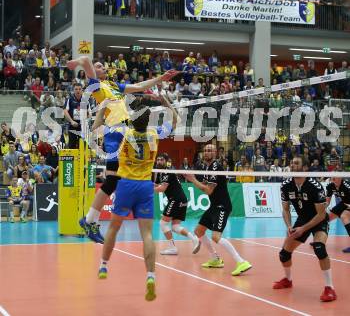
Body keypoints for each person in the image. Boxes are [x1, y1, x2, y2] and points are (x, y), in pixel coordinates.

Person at [67, 55, 179, 243]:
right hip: (115, 132)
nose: (102, 68)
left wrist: (161, 78)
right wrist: (78, 62)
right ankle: (90, 220)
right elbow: (87, 60)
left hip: (125, 132)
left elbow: (140, 87)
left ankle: (89, 220)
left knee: (112, 181)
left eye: (102, 66)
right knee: (112, 180)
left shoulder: (112, 86)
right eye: (99, 66)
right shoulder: (96, 87)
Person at [99, 96, 178, 302]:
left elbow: (100, 127)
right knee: (147, 235)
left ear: (133, 120)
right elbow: (176, 120)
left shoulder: (125, 133)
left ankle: (103, 265)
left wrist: (105, 107)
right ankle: (150, 276)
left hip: (125, 184)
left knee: (114, 228)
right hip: (145, 186)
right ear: (148, 121)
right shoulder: (154, 133)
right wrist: (167, 102)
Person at [273, 156, 337, 302]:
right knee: (284, 254)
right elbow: (286, 209)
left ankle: (330, 288)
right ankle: (288, 280)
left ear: (305, 168)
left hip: (318, 220)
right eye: (291, 162)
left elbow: (321, 215)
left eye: (296, 163)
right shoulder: (286, 185)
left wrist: (303, 229)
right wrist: (289, 226)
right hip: (302, 219)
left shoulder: (315, 187)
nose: (292, 165)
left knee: (319, 247)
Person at [184, 144, 252, 276]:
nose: (207, 152)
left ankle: (241, 261)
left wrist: (192, 179)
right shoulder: (207, 168)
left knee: (216, 237)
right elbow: (205, 187)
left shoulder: (215, 167)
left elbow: (208, 190)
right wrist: (193, 179)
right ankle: (215, 259)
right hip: (213, 206)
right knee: (198, 231)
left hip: (222, 206)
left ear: (215, 153)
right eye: (205, 150)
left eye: (210, 150)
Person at [154, 153, 199, 255]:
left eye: (161, 160)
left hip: (176, 199)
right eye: (158, 160)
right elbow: (156, 184)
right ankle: (194, 239)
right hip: (182, 199)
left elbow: (161, 189)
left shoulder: (167, 171)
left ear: (166, 161)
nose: (159, 162)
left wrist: (147, 189)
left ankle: (172, 248)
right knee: (175, 227)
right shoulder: (160, 172)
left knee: (163, 223)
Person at [326, 175, 350, 253]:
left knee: (344, 216)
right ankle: (320, 240)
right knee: (326, 219)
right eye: (332, 177)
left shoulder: (347, 186)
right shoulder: (330, 186)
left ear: (341, 178)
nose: (332, 179)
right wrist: (320, 209)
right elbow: (327, 201)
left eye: (335, 178)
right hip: (344, 203)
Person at [63, 83, 85, 149]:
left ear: (82, 90)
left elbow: (89, 113)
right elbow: (65, 111)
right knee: (72, 146)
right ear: (73, 90)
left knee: (82, 146)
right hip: (72, 126)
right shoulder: (70, 99)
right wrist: (72, 121)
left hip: (83, 127)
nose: (78, 91)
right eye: (76, 89)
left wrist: (85, 121)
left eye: (79, 89)